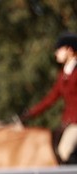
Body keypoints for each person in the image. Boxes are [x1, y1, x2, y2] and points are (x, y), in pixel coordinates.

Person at [23, 32, 77, 165]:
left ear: (70, 50)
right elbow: (50, 99)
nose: (56, 53)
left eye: (59, 49)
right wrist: (29, 114)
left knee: (64, 150)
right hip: (67, 124)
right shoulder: (63, 74)